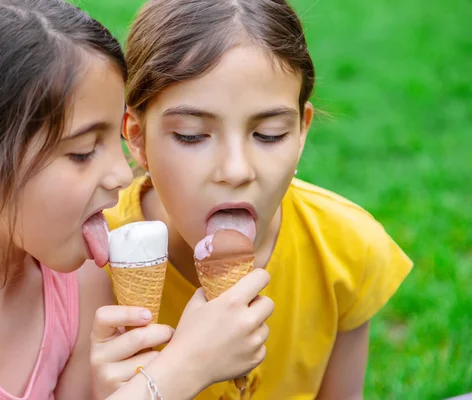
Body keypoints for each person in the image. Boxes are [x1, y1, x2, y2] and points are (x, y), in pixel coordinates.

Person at [0, 1, 273, 399]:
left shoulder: (79, 278)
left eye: (114, 138)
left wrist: (109, 389)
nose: (122, 174)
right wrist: (183, 369)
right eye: (82, 152)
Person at [105, 0, 414, 398]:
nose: (236, 170)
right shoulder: (88, 264)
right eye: (191, 135)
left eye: (268, 134)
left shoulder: (346, 249)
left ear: (302, 131)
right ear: (136, 137)